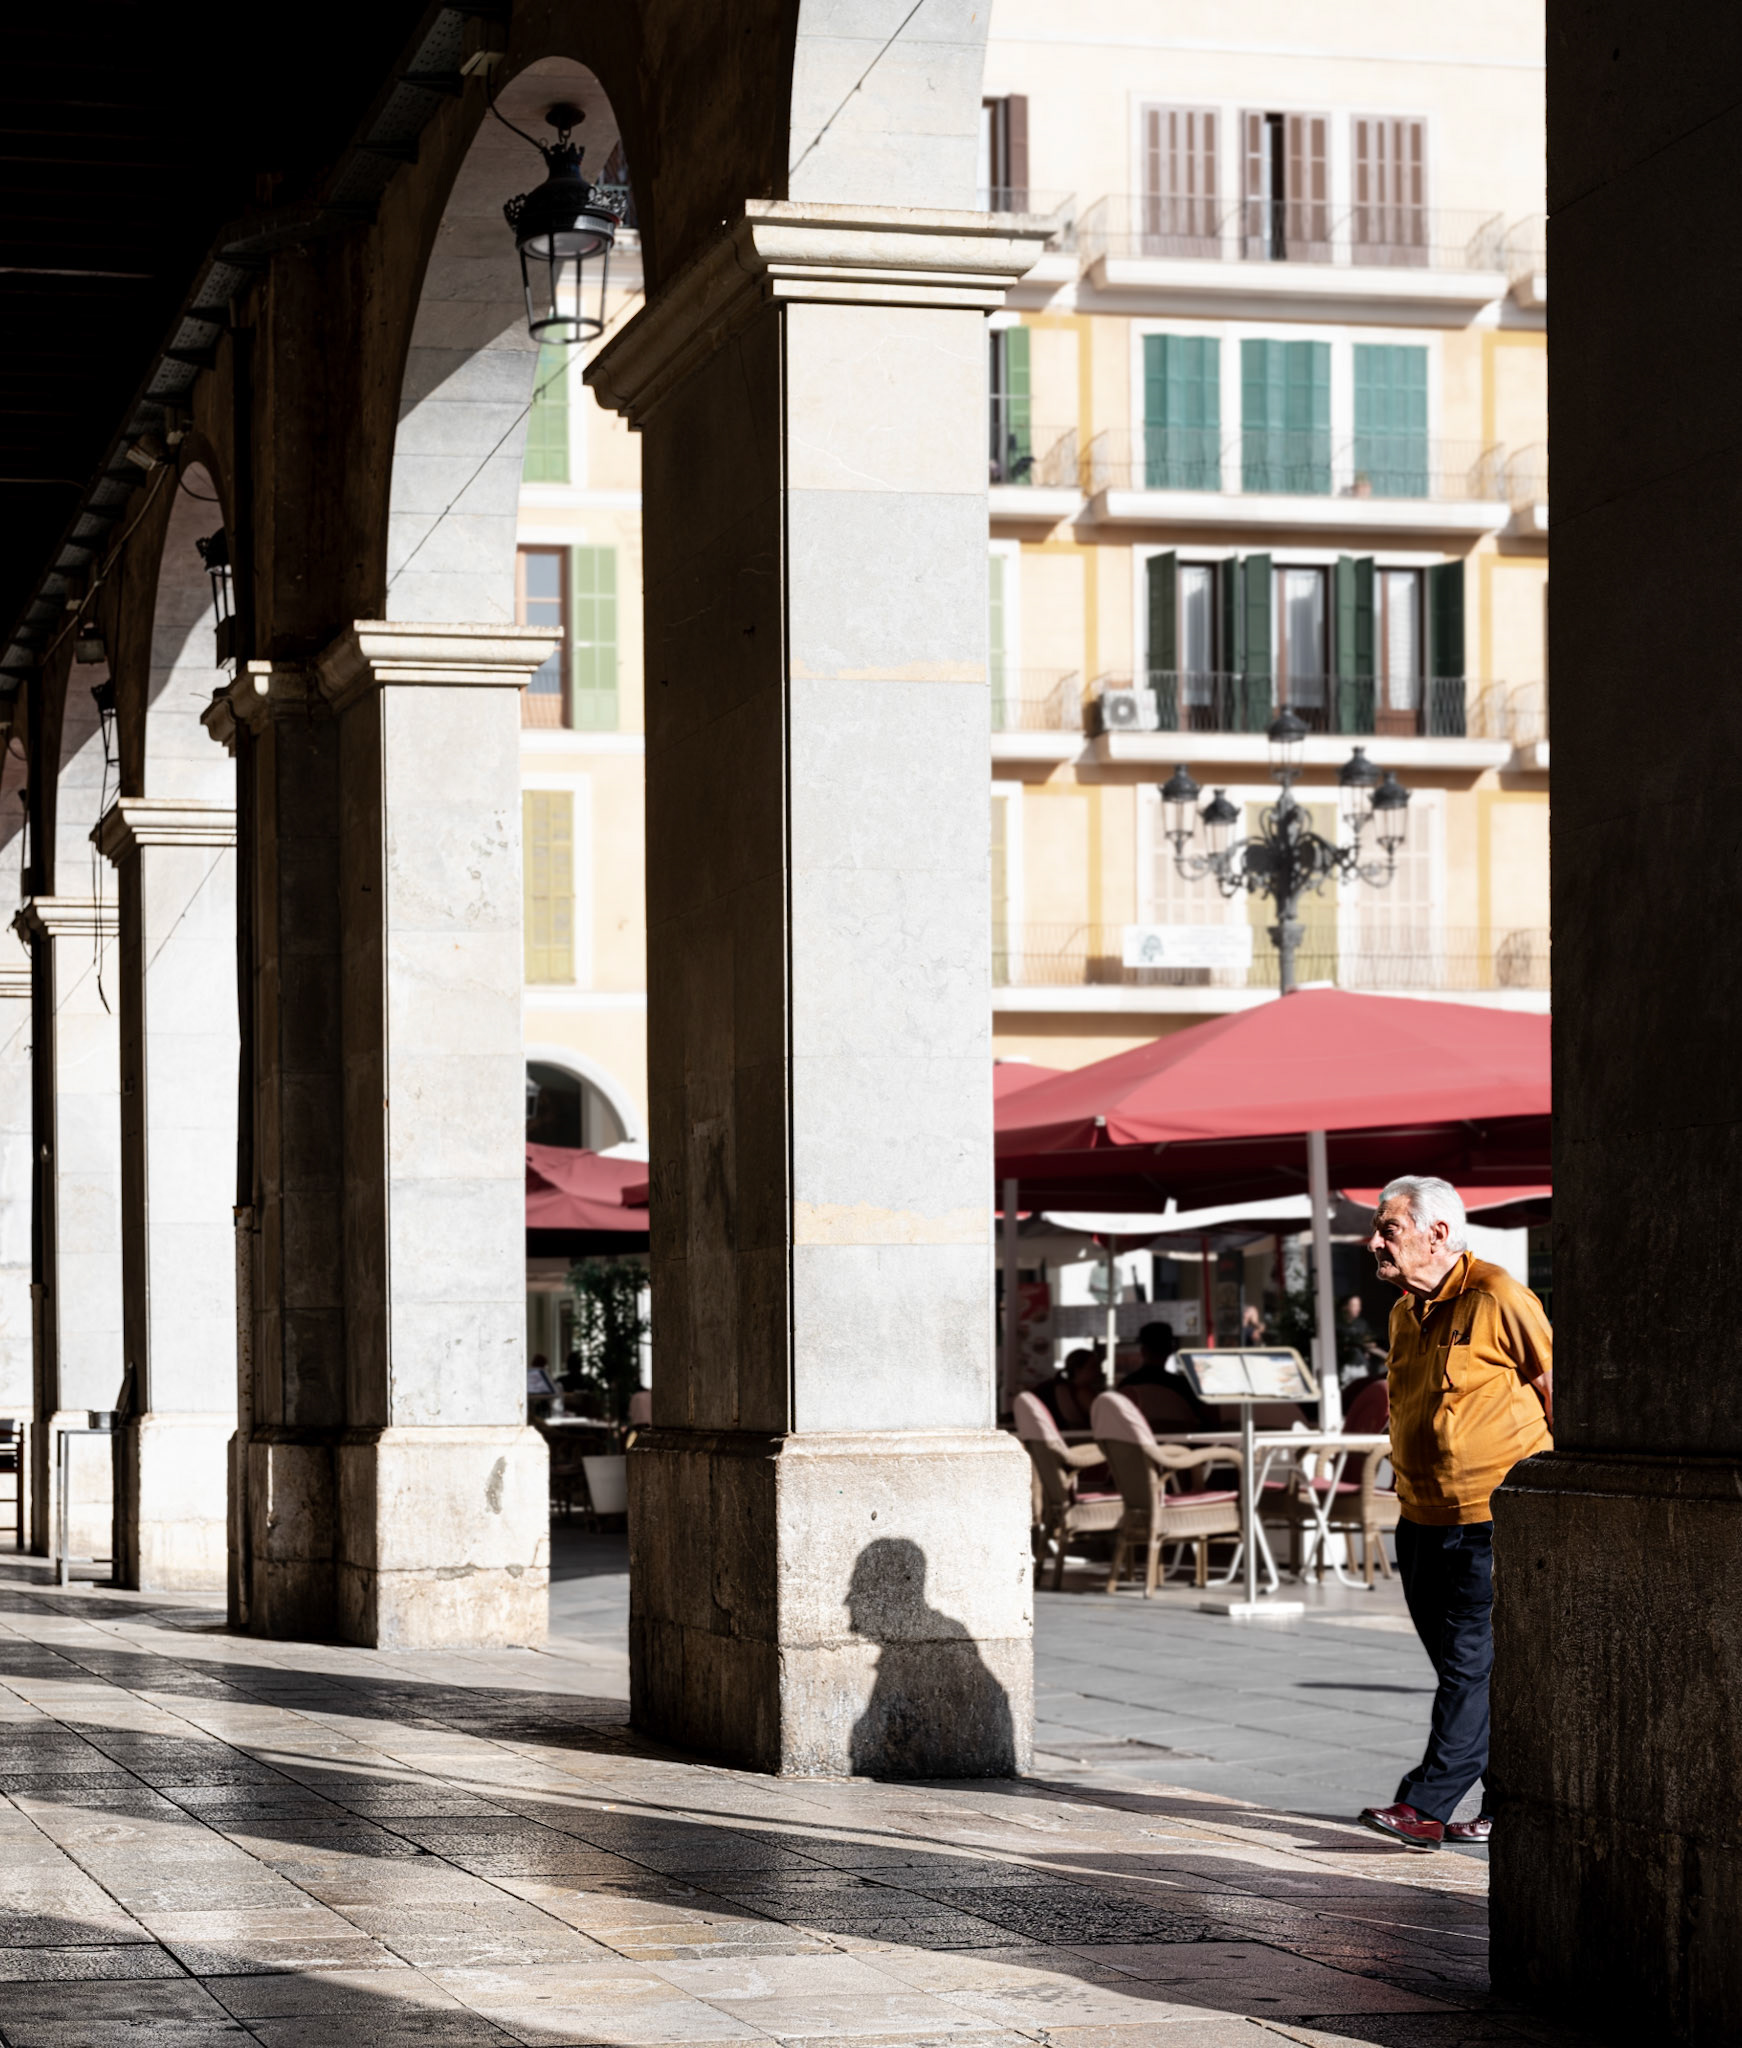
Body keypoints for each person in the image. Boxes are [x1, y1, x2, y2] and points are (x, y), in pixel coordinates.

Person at [1356, 1175, 1552, 1852]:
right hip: (1421, 1516)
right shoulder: (1402, 1311)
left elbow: (1559, 1390)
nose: (1374, 1241)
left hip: (1489, 1516)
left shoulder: (1498, 1295)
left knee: (1470, 1662)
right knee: (1466, 1670)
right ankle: (1509, 1803)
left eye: (1389, 1228)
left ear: (1438, 1233)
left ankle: (1426, 1804)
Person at [1034, 1347, 1107, 1431]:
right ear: (1078, 1370)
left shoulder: (1056, 1386)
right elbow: (1105, 1418)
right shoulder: (1082, 1392)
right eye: (1093, 1367)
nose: (1099, 1371)